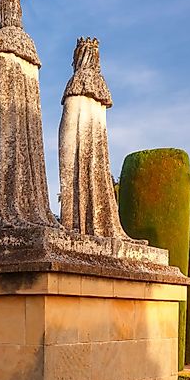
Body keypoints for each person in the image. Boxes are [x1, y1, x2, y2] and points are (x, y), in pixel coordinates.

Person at [0, 0, 59, 230]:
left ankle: (6, 212)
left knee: (5, 160)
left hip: (3, 126)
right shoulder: (29, 47)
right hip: (24, 127)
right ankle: (29, 209)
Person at [58, 37, 133, 240]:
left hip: (79, 140)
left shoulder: (77, 81)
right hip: (91, 144)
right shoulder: (99, 85)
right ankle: (82, 224)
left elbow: (70, 124)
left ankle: (75, 224)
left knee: (74, 171)